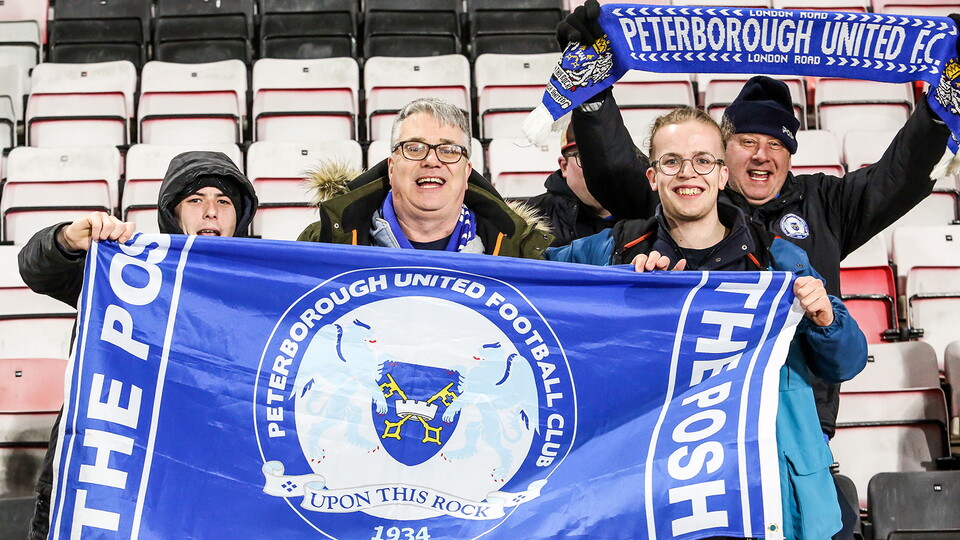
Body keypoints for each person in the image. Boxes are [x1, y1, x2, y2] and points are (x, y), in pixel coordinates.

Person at [547, 107, 868, 540]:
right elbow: (529, 285)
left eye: (702, 160)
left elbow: (844, 364)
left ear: (721, 174)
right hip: (653, 495)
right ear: (652, 176)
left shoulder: (778, 258)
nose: (687, 173)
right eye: (671, 161)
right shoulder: (615, 252)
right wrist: (625, 293)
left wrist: (824, 319)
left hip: (767, 492)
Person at [18, 150, 258, 540]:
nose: (210, 211)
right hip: (112, 478)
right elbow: (36, 268)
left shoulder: (260, 286)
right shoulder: (128, 269)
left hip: (211, 486)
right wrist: (65, 239)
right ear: (173, 213)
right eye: (196, 200)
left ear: (240, 215)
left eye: (224, 201)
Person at [298, 97, 553, 257]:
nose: (431, 160)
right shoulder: (323, 241)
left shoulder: (519, 251)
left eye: (449, 150)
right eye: (414, 148)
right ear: (391, 167)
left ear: (466, 172)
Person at [527, 121, 614, 246]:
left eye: (607, 156)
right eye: (585, 158)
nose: (598, 168)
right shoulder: (528, 222)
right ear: (564, 166)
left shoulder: (646, 216)